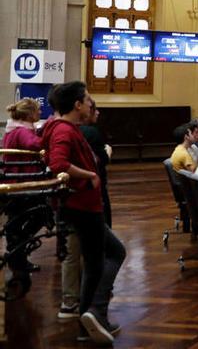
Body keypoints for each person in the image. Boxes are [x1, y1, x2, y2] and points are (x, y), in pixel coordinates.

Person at [42, 81, 125, 345]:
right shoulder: (65, 130)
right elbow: (58, 164)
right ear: (77, 104)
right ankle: (94, 312)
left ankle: (89, 321)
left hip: (84, 206)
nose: (91, 104)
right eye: (88, 99)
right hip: (83, 207)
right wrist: (89, 174)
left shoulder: (66, 128)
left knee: (97, 262)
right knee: (110, 255)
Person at [2, 98, 44, 275]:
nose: (40, 113)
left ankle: (16, 255)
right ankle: (17, 252)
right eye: (38, 111)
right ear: (29, 114)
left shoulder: (13, 130)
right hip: (23, 182)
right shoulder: (22, 131)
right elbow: (34, 144)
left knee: (15, 220)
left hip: (13, 181)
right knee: (36, 216)